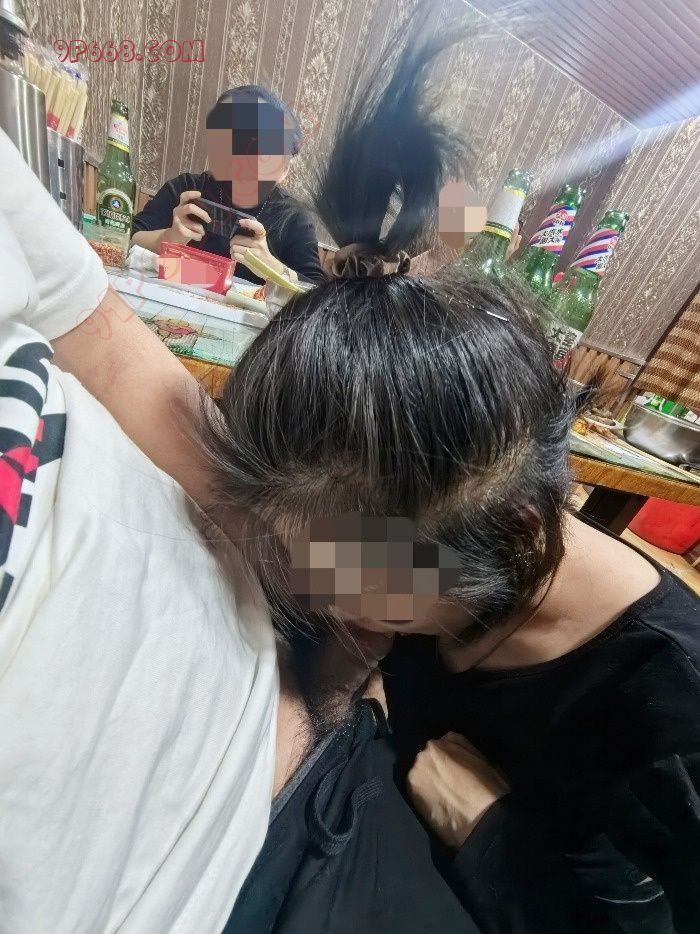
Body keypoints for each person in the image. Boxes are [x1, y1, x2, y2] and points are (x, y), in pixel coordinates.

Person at [195, 25, 700, 934]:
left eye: (349, 579)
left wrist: (491, 833)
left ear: (516, 530)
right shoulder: (417, 550)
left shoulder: (671, 715)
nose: (317, 595)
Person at [0, 21, 483, 934]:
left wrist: (333, 639)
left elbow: (101, 333)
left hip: (317, 751)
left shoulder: (291, 223)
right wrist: (161, 229)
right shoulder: (185, 188)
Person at [131, 84, 324, 285]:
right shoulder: (187, 188)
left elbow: (316, 287)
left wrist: (271, 266)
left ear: (284, 170)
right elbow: (128, 236)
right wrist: (169, 237)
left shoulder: (294, 218)